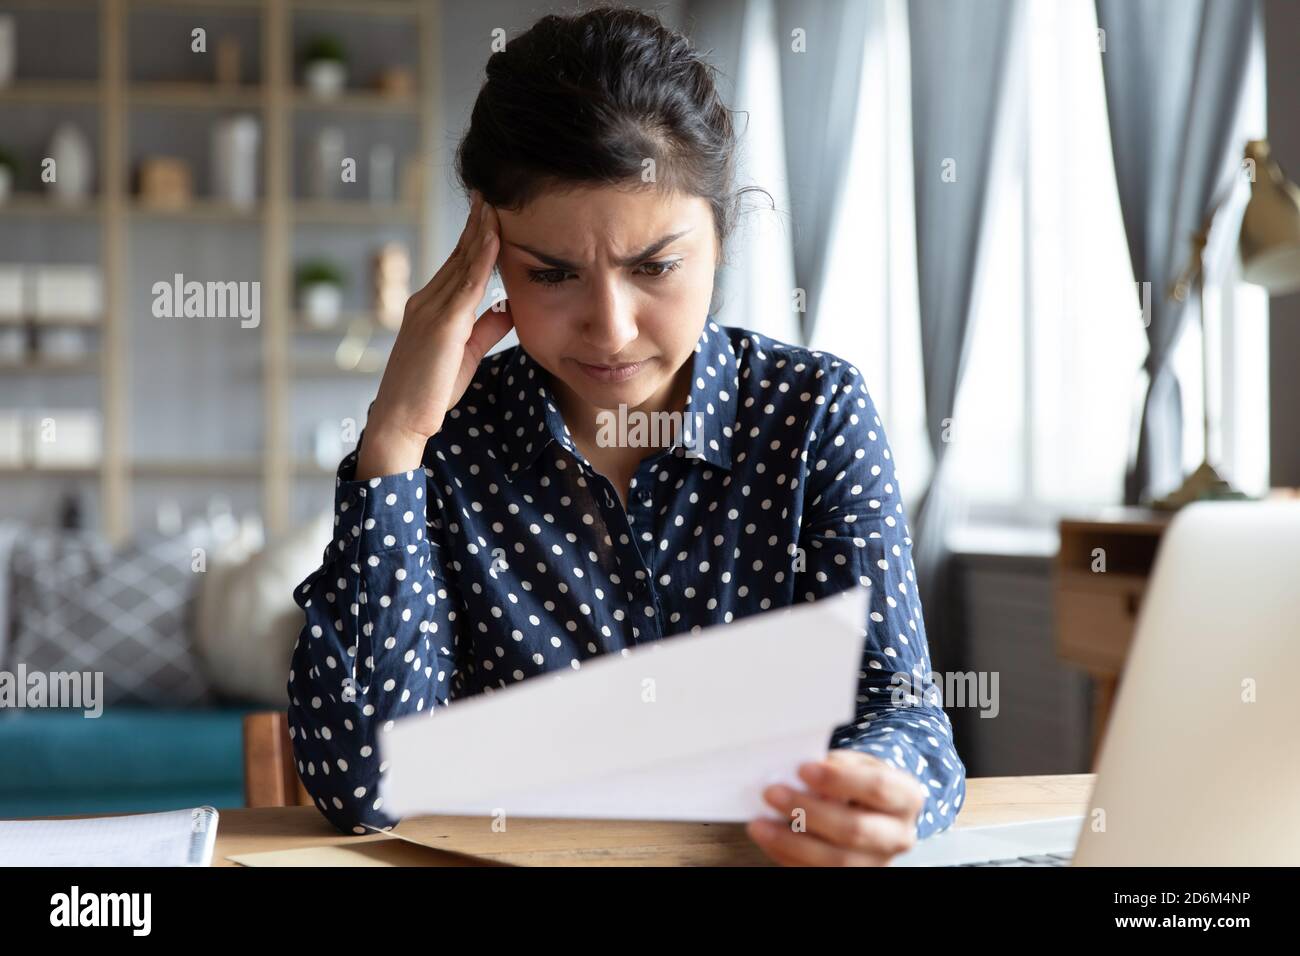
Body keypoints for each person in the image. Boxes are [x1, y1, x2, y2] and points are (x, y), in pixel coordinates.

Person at [288, 5, 965, 867]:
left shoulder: (814, 413)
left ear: (721, 235)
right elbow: (362, 790)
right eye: (553, 274)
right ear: (487, 256)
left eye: (654, 267)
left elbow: (903, 711)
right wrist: (393, 441)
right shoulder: (445, 445)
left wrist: (871, 786)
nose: (609, 329)